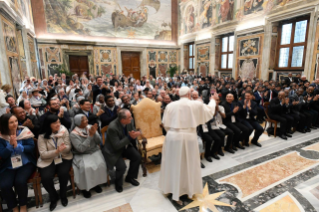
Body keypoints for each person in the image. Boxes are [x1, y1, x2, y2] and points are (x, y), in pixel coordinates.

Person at [159, 86, 217, 203]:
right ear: (189, 95)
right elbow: (210, 111)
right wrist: (213, 100)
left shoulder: (170, 105)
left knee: (173, 163)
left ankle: (172, 189)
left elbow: (165, 123)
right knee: (188, 164)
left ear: (179, 94)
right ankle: (188, 190)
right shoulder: (195, 104)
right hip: (189, 136)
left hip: (172, 137)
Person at [0, 114, 36, 212]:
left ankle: (23, 206)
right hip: (9, 166)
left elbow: (31, 147)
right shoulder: (1, 137)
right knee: (4, 185)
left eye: (15, 121)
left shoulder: (23, 132)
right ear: (4, 124)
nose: (15, 124)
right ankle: (14, 207)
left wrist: (18, 147)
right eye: (11, 122)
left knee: (20, 181)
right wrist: (10, 146)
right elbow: (3, 155)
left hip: (25, 163)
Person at [37, 115, 73, 211]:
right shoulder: (42, 135)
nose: (58, 124)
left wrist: (64, 149)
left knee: (63, 174)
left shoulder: (64, 130)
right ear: (49, 125)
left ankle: (63, 195)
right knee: (46, 178)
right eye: (55, 123)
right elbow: (43, 154)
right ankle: (53, 197)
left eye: (59, 122)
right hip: (48, 159)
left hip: (64, 157)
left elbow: (69, 146)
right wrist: (56, 152)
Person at [102, 109, 141, 193]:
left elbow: (132, 130)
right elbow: (116, 145)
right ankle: (118, 183)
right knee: (122, 167)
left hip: (125, 146)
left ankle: (129, 177)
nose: (131, 118)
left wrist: (135, 134)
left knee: (137, 157)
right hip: (114, 150)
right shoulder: (112, 127)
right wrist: (130, 137)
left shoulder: (129, 121)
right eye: (129, 117)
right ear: (123, 120)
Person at [70, 114, 107, 198]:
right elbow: (81, 149)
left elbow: (98, 141)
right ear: (79, 122)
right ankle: (85, 189)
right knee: (86, 168)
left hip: (94, 151)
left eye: (86, 119)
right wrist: (90, 136)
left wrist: (95, 133)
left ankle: (96, 184)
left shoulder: (90, 127)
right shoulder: (73, 134)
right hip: (82, 154)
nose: (87, 121)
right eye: (84, 120)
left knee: (100, 165)